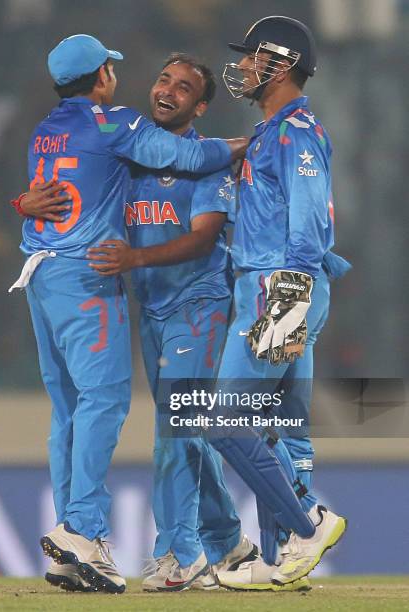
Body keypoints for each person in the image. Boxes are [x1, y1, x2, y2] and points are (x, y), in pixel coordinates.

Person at [8, 34, 248, 595]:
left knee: (75, 409)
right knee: (107, 402)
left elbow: (53, 191)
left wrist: (19, 203)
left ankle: (84, 540)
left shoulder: (46, 130)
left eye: (181, 86)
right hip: (89, 279)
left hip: (44, 276)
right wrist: (254, 138)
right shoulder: (117, 125)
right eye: (161, 79)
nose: (162, 89)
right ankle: (85, 532)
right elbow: (192, 155)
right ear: (102, 77)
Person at [208, 16, 349, 589]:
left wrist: (287, 296)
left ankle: (308, 523)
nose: (242, 66)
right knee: (274, 426)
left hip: (282, 286)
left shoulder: (296, 131)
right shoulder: (275, 131)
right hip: (274, 286)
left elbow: (310, 220)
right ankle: (277, 555)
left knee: (223, 421)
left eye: (251, 57)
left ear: (281, 64)